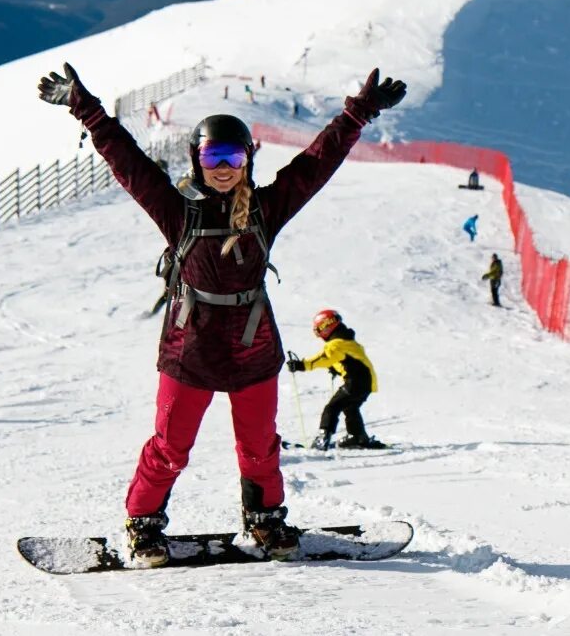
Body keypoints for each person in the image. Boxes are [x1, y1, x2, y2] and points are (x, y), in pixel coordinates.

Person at [37, 62, 406, 566]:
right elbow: (128, 163)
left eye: (233, 154)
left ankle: (266, 521)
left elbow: (316, 164)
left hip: (252, 351)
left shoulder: (265, 209)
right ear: (197, 157)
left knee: (260, 449)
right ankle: (142, 526)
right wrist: (86, 108)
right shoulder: (178, 210)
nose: (223, 165)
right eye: (213, 154)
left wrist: (357, 113)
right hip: (189, 351)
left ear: (248, 159)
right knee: (169, 448)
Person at [286, 310, 382, 450]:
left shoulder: (336, 344)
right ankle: (357, 436)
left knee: (332, 407)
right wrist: (337, 368)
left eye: (319, 329)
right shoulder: (347, 341)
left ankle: (322, 439)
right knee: (350, 407)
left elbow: (324, 358)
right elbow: (348, 360)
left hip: (355, 382)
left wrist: (301, 365)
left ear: (327, 326)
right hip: (365, 383)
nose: (318, 334)